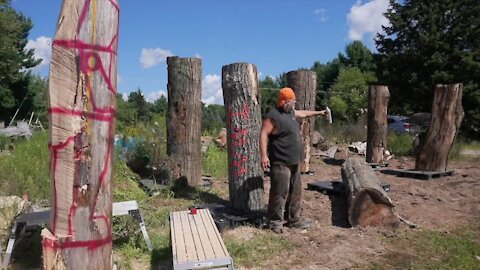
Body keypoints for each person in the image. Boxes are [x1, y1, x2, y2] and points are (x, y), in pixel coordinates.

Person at [260, 87, 328, 233]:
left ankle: (293, 219)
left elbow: (303, 113)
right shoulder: (273, 116)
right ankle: (275, 222)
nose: (294, 103)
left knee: (295, 192)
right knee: (280, 192)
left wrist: (319, 113)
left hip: (295, 160)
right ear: (285, 102)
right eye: (292, 101)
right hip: (280, 162)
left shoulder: (290, 112)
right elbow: (264, 134)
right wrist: (264, 156)